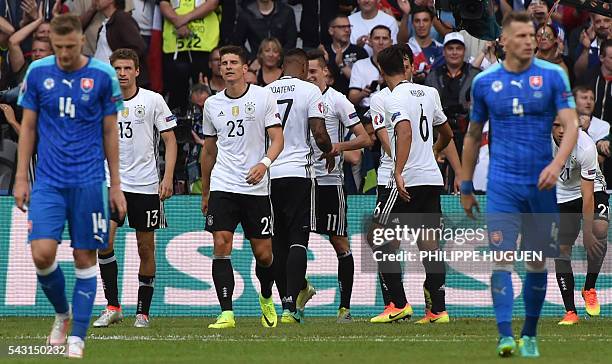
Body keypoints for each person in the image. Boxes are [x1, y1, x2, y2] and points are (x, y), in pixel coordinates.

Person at [461, 12, 579, 358]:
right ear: (505, 42)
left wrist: (557, 164)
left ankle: (529, 332)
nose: (531, 40)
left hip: (541, 186)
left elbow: (571, 126)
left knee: (538, 263)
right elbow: (471, 136)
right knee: (502, 260)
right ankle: (503, 335)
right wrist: (466, 186)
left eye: (533, 35)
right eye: (523, 36)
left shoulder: (553, 75)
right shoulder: (486, 82)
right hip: (502, 186)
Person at [13, 14, 127, 358]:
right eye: (57, 47)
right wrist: (21, 176)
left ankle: (77, 335)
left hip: (90, 181)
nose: (63, 53)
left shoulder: (103, 75)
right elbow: (28, 127)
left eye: (69, 46)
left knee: (84, 256)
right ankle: (62, 313)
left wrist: (116, 185)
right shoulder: (38, 73)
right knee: (41, 254)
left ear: (81, 41)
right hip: (48, 181)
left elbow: (110, 132)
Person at [92, 48, 178, 329]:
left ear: (137, 71)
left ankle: (143, 311)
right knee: (104, 241)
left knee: (145, 249)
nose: (122, 74)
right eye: (117, 69)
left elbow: (170, 140)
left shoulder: (152, 100)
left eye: (128, 68)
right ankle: (113, 306)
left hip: (146, 184)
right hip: (112, 182)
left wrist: (167, 177)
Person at [201, 45, 284, 329]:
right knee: (221, 244)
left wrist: (264, 163)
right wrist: (206, 191)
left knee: (264, 254)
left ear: (245, 68)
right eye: (223, 62)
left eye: (233, 62)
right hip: (224, 183)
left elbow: (277, 139)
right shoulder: (212, 104)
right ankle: (226, 313)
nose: (227, 67)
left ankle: (265, 296)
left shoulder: (263, 97)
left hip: (255, 186)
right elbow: (209, 151)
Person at [382, 45, 454, 324]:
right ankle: (438, 309)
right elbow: (447, 133)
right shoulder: (429, 92)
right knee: (429, 246)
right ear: (406, 66)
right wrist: (435, 151)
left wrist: (398, 171)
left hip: (408, 178)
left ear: (381, 70)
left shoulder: (393, 97)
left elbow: (404, 131)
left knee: (379, 238)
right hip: (431, 178)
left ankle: (399, 304)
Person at [302, 49, 372, 322]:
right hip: (301, 181)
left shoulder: (337, 101)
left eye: (313, 71)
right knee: (294, 241)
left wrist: (337, 148)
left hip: (330, 183)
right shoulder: (298, 99)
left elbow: (365, 139)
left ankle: (344, 308)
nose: (308, 76)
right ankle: (298, 293)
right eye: (305, 71)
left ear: (326, 74)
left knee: (339, 241)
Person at [266, 48, 333, 323]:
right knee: (298, 240)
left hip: (270, 173)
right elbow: (318, 131)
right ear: (305, 69)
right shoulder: (309, 91)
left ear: (282, 66)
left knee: (277, 242)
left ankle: (285, 303)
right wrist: (329, 150)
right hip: (299, 173)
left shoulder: (265, 92)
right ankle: (291, 308)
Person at [551, 121, 608, 325]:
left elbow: (587, 194)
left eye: (566, 126)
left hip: (590, 189)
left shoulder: (586, 147)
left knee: (599, 229)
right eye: (556, 125)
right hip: (561, 195)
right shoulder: (541, 142)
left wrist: (587, 232)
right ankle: (570, 312)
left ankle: (589, 287)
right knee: (561, 249)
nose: (561, 131)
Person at [348, 25, 393, 115]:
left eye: (384, 38)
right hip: (368, 113)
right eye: (377, 38)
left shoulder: (398, 65)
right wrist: (363, 93)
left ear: (391, 42)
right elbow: (352, 98)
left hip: (392, 111)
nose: (381, 42)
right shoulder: (359, 65)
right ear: (370, 41)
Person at [324, 14, 368, 96]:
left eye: (349, 26)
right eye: (342, 27)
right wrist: (324, 63)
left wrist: (341, 64)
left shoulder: (360, 52)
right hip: (328, 101)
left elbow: (363, 82)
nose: (347, 30)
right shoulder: (324, 52)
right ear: (331, 30)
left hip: (353, 102)